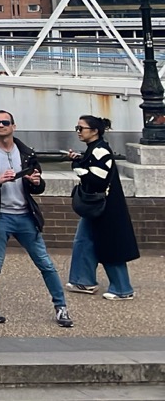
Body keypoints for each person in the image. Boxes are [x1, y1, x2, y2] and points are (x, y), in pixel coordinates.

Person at [0, 109, 71, 328]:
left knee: (45, 263)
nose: (0, 125)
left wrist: (36, 182)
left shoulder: (26, 153)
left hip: (25, 215)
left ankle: (61, 307)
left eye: (5, 122)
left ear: (14, 126)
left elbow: (38, 186)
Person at [64, 115, 137, 300]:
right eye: (77, 128)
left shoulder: (100, 150)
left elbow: (97, 179)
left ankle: (122, 289)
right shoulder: (94, 149)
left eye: (81, 128)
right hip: (97, 206)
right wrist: (80, 160)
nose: (78, 132)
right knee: (83, 241)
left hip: (105, 207)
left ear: (95, 131)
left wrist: (77, 166)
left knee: (110, 245)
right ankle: (83, 280)